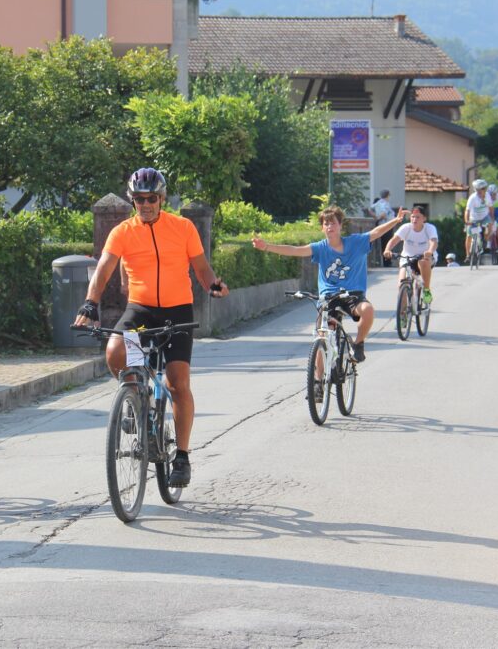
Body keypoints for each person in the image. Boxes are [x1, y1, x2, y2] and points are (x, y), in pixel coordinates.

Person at [73, 168, 228, 488]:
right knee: (115, 351)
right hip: (141, 310)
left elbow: (201, 268)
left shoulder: (182, 227)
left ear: (162, 199)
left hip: (177, 311)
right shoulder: (123, 232)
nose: (145, 204)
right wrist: (90, 304)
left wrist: (213, 285)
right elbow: (103, 269)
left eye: (152, 198)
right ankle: (136, 402)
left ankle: (182, 456)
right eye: (139, 199)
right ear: (132, 200)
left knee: (178, 383)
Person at [252, 204, 408, 365]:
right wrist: (267, 247)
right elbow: (295, 250)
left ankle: (359, 343)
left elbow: (376, 232)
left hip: (352, 295)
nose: (329, 227)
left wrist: (396, 220)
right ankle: (318, 379)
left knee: (368, 310)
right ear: (322, 228)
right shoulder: (320, 248)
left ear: (340, 225)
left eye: (333, 223)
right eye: (326, 224)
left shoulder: (355, 242)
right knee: (322, 338)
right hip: (329, 297)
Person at [383, 205, 438, 304]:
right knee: (401, 284)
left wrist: (430, 251)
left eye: (418, 217)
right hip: (407, 258)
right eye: (412, 216)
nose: (414, 219)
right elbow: (394, 240)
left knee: (423, 262)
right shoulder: (406, 228)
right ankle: (403, 312)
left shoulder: (429, 228)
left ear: (424, 218)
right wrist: (387, 250)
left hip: (425, 257)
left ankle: (426, 290)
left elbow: (433, 241)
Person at [463, 179, 494, 263]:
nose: (481, 191)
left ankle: (485, 241)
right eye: (478, 190)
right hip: (474, 218)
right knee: (469, 236)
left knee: (490, 225)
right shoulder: (472, 198)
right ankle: (468, 255)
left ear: (485, 189)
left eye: (483, 189)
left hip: (484, 217)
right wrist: (467, 221)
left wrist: (492, 218)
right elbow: (467, 211)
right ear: (475, 190)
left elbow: (491, 207)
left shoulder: (487, 196)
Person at [371, 189, 395, 267]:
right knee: (388, 244)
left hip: (381, 226)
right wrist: (379, 218)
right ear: (388, 195)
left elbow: (370, 209)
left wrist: (375, 217)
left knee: (383, 245)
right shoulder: (385, 204)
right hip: (387, 226)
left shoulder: (378, 203)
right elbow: (384, 214)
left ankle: (385, 262)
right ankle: (387, 262)